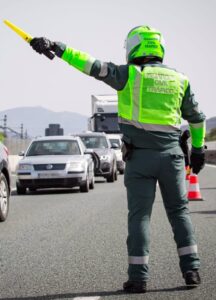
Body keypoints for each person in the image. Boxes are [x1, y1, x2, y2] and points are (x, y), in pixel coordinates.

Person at [30, 25, 206, 293]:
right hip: (171, 158)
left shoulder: (128, 75)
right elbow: (197, 118)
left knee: (139, 217)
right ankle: (191, 270)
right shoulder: (180, 79)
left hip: (139, 158)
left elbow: (91, 64)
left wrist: (57, 47)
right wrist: (198, 150)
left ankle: (138, 278)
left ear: (133, 47)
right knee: (180, 212)